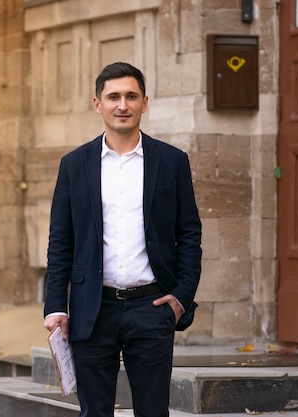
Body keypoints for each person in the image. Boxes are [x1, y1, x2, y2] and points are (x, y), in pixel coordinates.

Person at [43, 62, 202, 417]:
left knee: (152, 412)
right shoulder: (74, 164)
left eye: (131, 96)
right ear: (97, 103)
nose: (122, 105)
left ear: (144, 102)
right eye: (113, 97)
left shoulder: (172, 162)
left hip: (152, 308)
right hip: (91, 310)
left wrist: (181, 296)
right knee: (94, 412)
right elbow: (61, 240)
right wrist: (55, 306)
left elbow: (189, 232)